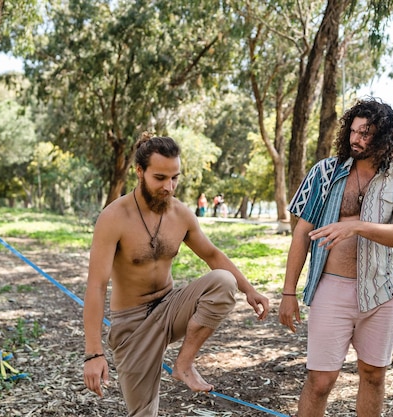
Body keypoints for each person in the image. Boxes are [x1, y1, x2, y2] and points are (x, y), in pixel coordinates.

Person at [83, 135, 270, 417]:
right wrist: (94, 353)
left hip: (170, 307)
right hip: (132, 325)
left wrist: (250, 290)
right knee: (143, 413)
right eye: (160, 178)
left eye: (174, 178)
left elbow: (212, 255)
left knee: (223, 281)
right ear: (139, 172)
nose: (168, 187)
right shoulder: (114, 217)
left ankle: (184, 364)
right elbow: (96, 286)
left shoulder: (181, 214)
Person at [279, 98, 393, 417]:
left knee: (373, 376)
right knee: (320, 380)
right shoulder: (325, 172)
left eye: (366, 133)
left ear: (384, 136)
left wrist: (358, 226)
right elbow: (301, 234)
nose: (356, 139)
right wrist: (288, 292)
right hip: (332, 290)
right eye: (354, 131)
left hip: (381, 291)